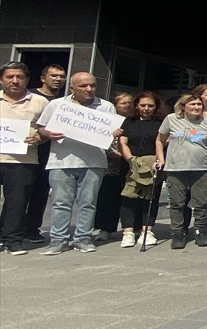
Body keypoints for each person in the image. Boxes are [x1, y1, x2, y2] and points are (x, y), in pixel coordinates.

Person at [36, 72, 121, 255]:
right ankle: (58, 240)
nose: (89, 89)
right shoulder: (57, 105)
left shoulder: (106, 106)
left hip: (94, 161)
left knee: (88, 202)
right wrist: (48, 134)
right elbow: (41, 128)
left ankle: (83, 238)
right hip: (61, 161)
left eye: (92, 85)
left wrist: (113, 134)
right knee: (61, 202)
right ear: (71, 88)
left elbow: (110, 135)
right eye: (83, 86)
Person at [156, 93, 207, 249]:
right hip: (176, 167)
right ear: (183, 106)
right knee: (177, 203)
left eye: (199, 104)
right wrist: (160, 159)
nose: (197, 107)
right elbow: (159, 140)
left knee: (201, 202)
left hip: (202, 167)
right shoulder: (171, 119)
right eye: (192, 104)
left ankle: (200, 230)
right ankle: (177, 233)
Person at [0, 62, 49, 255]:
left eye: (20, 77)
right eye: (10, 77)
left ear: (27, 80)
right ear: (1, 79)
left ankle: (12, 240)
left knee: (17, 202)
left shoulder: (40, 102)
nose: (15, 81)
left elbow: (49, 128)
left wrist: (40, 136)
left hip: (23, 161)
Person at [26, 63, 66, 243]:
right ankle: (8, 229)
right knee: (20, 193)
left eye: (61, 76)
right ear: (43, 78)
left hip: (51, 153)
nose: (58, 79)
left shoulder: (65, 103)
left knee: (41, 193)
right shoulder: (30, 97)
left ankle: (32, 229)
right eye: (54, 76)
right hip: (25, 152)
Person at [118, 92, 162, 247]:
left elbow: (162, 143)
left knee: (150, 197)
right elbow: (123, 142)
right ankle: (128, 232)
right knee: (129, 197)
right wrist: (130, 159)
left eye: (150, 106)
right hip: (132, 163)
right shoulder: (129, 122)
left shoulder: (160, 123)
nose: (146, 109)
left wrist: (158, 161)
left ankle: (147, 231)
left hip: (152, 164)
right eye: (143, 105)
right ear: (136, 106)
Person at [93, 91, 134, 240]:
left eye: (130, 102)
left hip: (131, 168)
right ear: (115, 105)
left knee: (130, 200)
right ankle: (105, 229)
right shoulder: (109, 122)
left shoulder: (135, 121)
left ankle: (130, 229)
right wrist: (124, 156)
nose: (127, 105)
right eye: (123, 103)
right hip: (111, 168)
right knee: (108, 199)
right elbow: (106, 146)